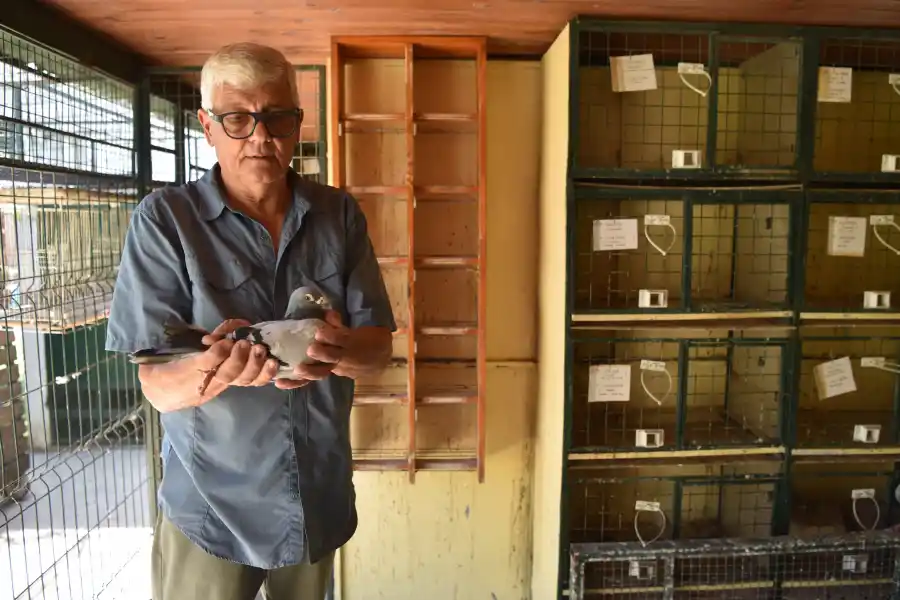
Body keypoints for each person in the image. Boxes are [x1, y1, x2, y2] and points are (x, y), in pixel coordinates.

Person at [105, 42, 396, 600]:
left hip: (315, 496)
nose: (260, 137)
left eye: (277, 117)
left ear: (297, 123)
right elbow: (158, 385)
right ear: (207, 126)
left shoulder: (339, 215)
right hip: (212, 509)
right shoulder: (166, 221)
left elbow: (377, 349)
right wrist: (215, 369)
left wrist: (335, 349)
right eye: (237, 118)